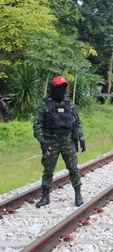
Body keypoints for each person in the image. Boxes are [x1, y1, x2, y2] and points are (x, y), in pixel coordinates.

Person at [33, 76, 86, 208]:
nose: (62, 89)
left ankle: (78, 195)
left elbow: (77, 123)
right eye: (60, 87)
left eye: (64, 87)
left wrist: (81, 138)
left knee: (73, 169)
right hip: (51, 141)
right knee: (48, 170)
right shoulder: (44, 104)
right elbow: (37, 125)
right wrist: (42, 142)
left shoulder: (70, 104)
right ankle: (45, 196)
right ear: (54, 88)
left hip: (67, 141)